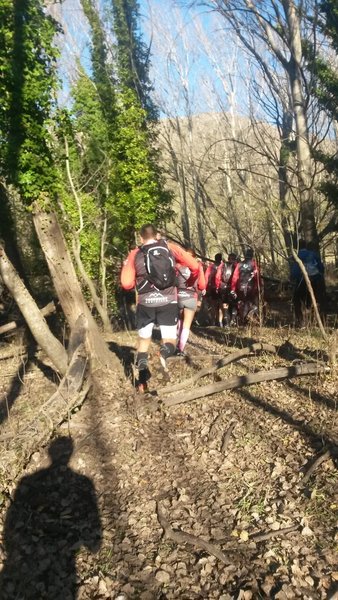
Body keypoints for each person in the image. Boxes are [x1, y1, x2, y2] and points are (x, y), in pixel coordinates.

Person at [121, 224, 200, 392]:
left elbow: (126, 284)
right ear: (157, 236)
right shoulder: (170, 247)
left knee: (143, 341)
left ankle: (142, 380)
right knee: (170, 339)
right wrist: (191, 282)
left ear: (141, 238)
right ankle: (163, 354)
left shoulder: (135, 253)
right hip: (168, 301)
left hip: (145, 303)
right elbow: (194, 266)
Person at [176, 249, 206, 356]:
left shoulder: (177, 266)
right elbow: (202, 285)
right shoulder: (198, 266)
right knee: (187, 325)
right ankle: (180, 348)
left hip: (178, 295)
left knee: (179, 320)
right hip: (191, 296)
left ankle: (175, 344)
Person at [290, 240, 325, 327]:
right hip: (316, 281)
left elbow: (295, 273)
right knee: (314, 302)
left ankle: (301, 322)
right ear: (306, 246)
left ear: (297, 247)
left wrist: (292, 278)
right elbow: (321, 268)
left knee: (296, 300)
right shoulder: (313, 254)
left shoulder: (298, 257)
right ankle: (316, 321)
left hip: (303, 282)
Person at [231, 247, 262, 324]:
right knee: (252, 303)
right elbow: (257, 277)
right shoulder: (254, 264)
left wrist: (233, 288)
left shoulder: (239, 264)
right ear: (252, 255)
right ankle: (247, 318)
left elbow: (235, 277)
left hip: (240, 287)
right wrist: (259, 286)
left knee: (243, 303)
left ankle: (243, 320)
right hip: (251, 288)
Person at [215, 252, 238, 326]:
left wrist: (217, 286)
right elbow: (236, 278)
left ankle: (225, 321)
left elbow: (217, 276)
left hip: (222, 286)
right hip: (232, 287)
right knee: (233, 304)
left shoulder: (222, 265)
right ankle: (231, 321)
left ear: (228, 258)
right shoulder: (236, 266)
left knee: (224, 304)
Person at [205, 253, 223, 326]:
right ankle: (220, 321)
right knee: (221, 305)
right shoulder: (223, 266)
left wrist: (205, 288)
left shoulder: (211, 267)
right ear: (221, 259)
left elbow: (206, 277)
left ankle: (213, 321)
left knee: (213, 305)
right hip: (221, 288)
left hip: (212, 288)